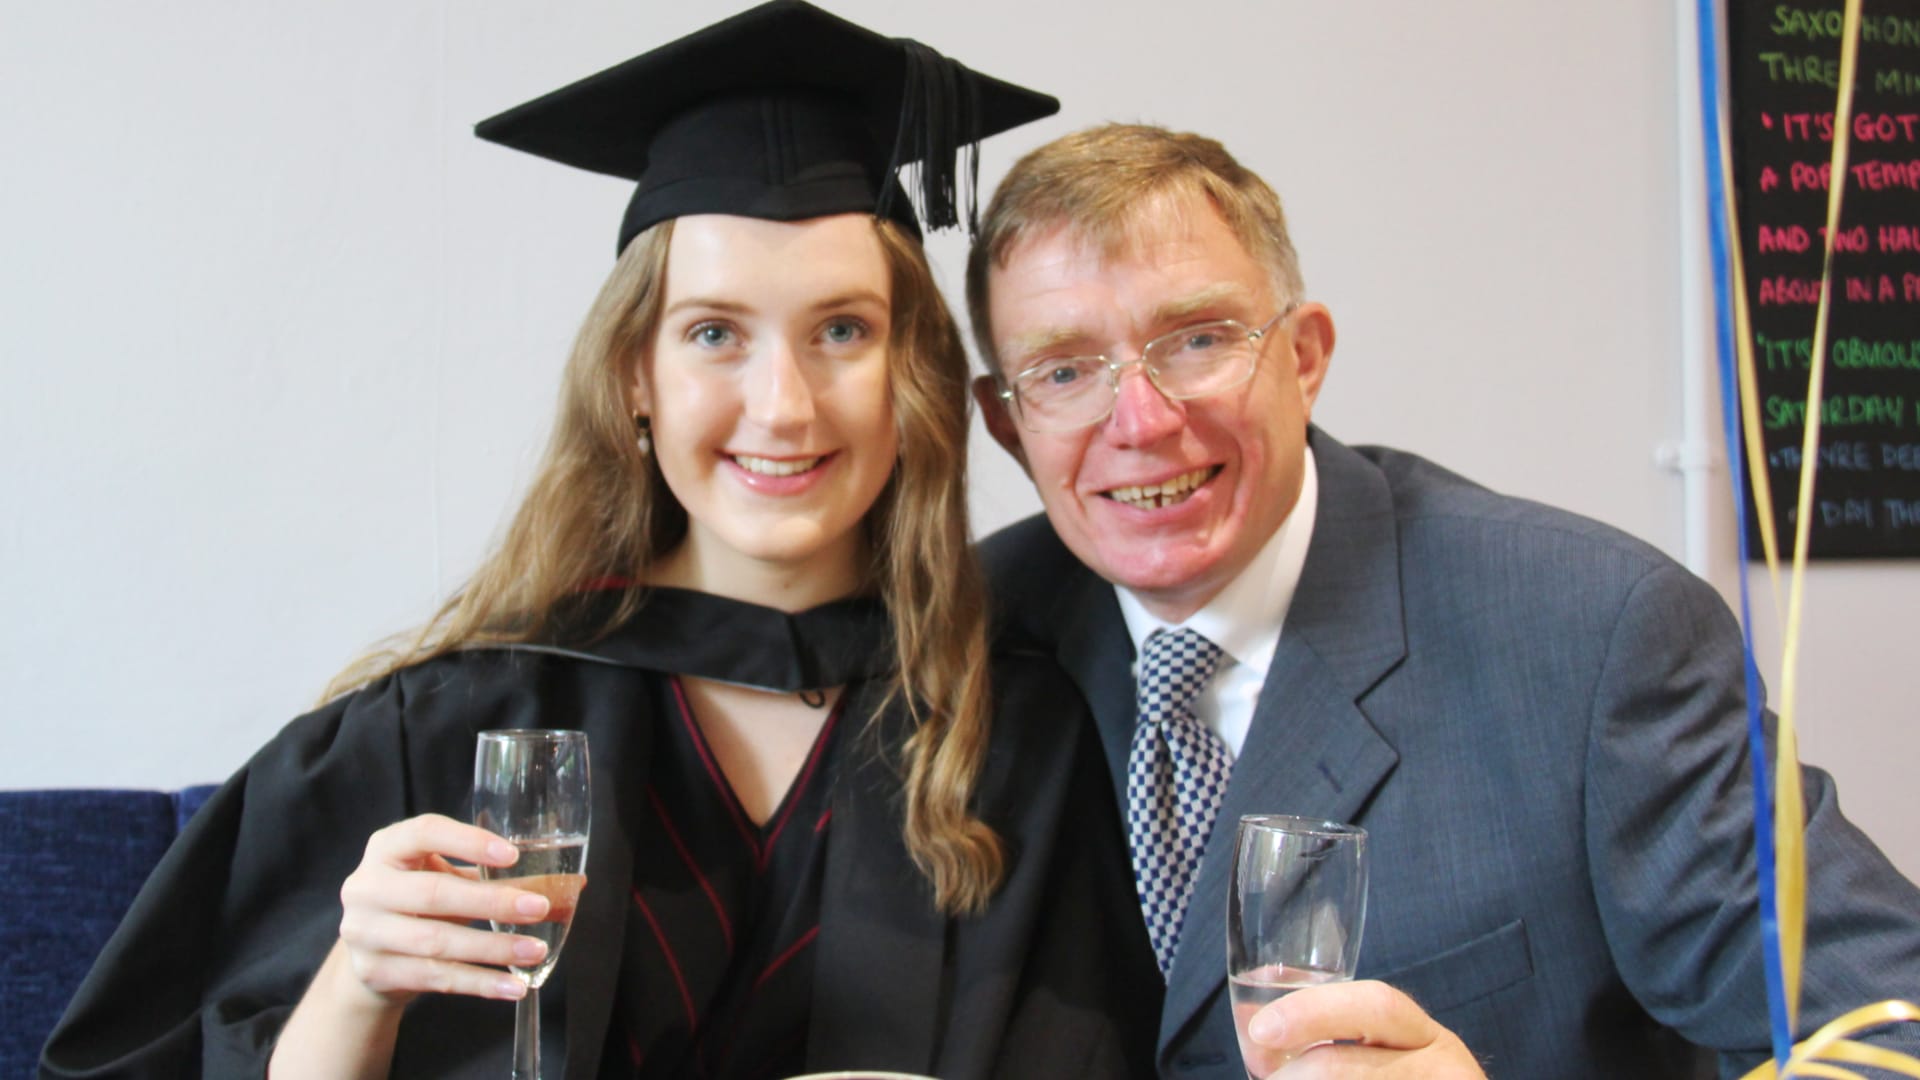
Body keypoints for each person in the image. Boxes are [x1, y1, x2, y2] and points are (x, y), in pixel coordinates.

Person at [40, 6, 1161, 1078]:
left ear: (909, 374)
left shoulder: (1012, 739)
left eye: (842, 331)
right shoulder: (434, 734)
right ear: (636, 376)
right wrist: (354, 989)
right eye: (713, 332)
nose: (783, 405)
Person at [965, 122, 1920, 1078]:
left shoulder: (1591, 633)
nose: (1140, 421)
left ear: (1303, 358)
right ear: (1009, 423)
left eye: (1199, 340)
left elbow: (1890, 1035)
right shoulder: (971, 635)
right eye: (1063, 371)